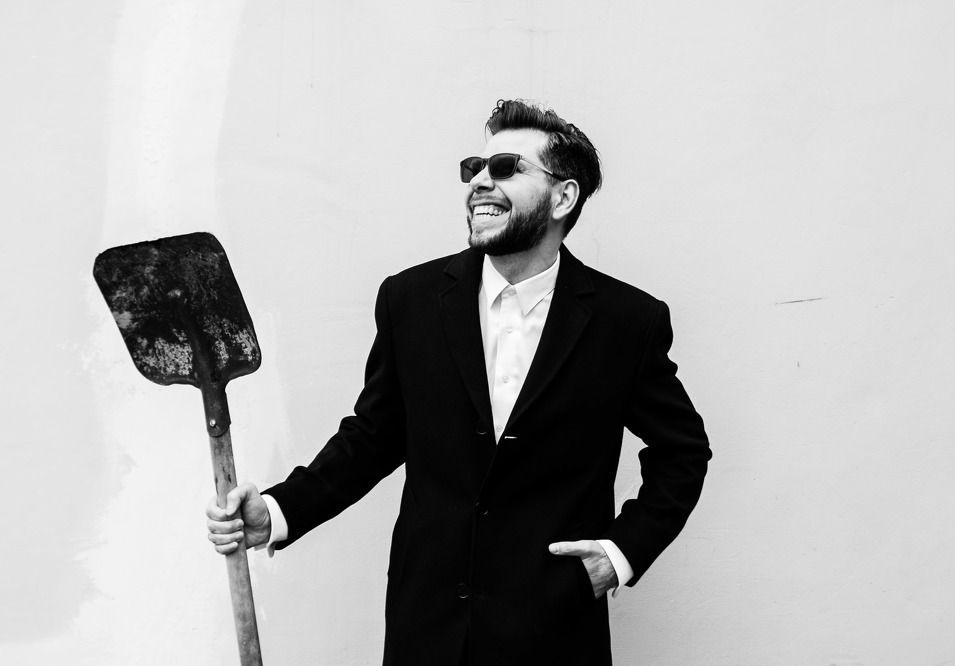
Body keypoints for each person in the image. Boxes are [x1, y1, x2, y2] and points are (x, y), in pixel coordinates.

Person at [206, 99, 711, 666]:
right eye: (475, 167)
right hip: (428, 632)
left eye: (506, 168)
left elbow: (683, 452)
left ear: (563, 197)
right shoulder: (411, 300)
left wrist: (619, 554)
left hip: (553, 633)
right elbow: (372, 438)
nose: (480, 182)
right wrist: (278, 510)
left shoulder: (627, 322)